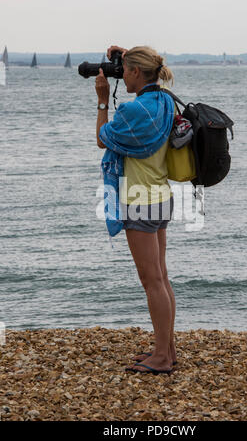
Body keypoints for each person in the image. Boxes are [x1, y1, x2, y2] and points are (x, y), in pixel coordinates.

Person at [95, 45, 177, 375]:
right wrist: (128, 53)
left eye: (125, 69)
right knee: (162, 277)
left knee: (151, 281)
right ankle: (167, 349)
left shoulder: (134, 111)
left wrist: (102, 98)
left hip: (139, 199)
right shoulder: (165, 101)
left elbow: (103, 137)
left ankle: (161, 357)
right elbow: (153, 72)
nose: (121, 75)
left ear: (134, 73)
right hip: (161, 195)